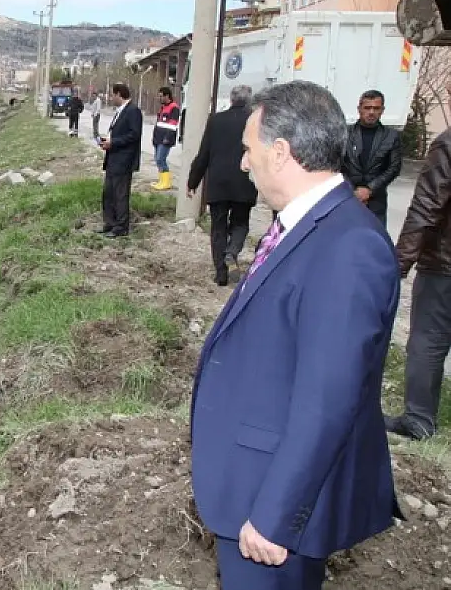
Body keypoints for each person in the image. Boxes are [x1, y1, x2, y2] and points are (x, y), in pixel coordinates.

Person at [191, 80, 403, 590]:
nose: (245, 163)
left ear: (281, 153)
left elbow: (328, 399)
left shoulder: (348, 247)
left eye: (249, 149)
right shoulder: (305, 225)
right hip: (252, 479)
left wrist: (275, 515)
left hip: (272, 506)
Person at [386, 128, 451, 440]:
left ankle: (419, 419)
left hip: (444, 266)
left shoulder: (449, 142)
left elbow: (428, 205)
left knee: (428, 339)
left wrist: (399, 263)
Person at [187, 85, 256, 286]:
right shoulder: (256, 122)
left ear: (232, 100)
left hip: (218, 182)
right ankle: (232, 251)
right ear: (249, 101)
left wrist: (193, 181)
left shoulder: (216, 120)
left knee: (217, 227)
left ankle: (221, 274)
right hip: (245, 181)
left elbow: (204, 154)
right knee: (240, 222)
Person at [341, 89, 403, 226]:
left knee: (375, 241)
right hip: (347, 197)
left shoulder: (391, 136)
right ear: (359, 109)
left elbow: (394, 168)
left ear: (382, 110)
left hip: (376, 201)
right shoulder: (345, 133)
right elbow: (336, 164)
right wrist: (352, 191)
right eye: (367, 108)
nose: (371, 112)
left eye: (376, 108)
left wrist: (369, 189)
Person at [98, 83, 142, 238]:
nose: (111, 98)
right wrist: (108, 141)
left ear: (118, 94)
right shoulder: (119, 112)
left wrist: (114, 142)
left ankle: (121, 227)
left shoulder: (133, 111)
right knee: (108, 193)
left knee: (120, 195)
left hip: (123, 160)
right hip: (113, 159)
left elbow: (134, 135)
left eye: (112, 95)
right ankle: (109, 223)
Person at [151, 86, 180, 191]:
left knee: (161, 159)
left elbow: (173, 125)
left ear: (167, 96)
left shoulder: (174, 108)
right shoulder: (163, 107)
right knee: (157, 160)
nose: (159, 98)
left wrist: (167, 138)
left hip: (165, 139)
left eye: (161, 96)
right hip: (158, 138)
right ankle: (161, 181)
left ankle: (166, 182)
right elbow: (159, 123)